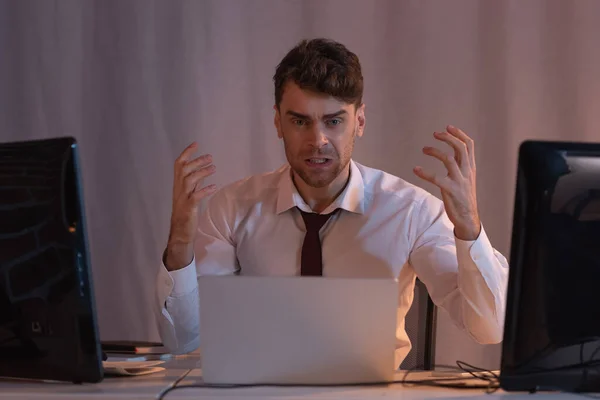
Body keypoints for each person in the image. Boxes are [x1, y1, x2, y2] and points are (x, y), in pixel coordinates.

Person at [155, 38, 509, 367]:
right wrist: (181, 243)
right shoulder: (233, 208)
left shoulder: (412, 211)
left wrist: (469, 227)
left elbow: (488, 329)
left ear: (360, 122)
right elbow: (183, 340)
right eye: (300, 121)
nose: (318, 140)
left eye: (334, 121)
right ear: (278, 122)